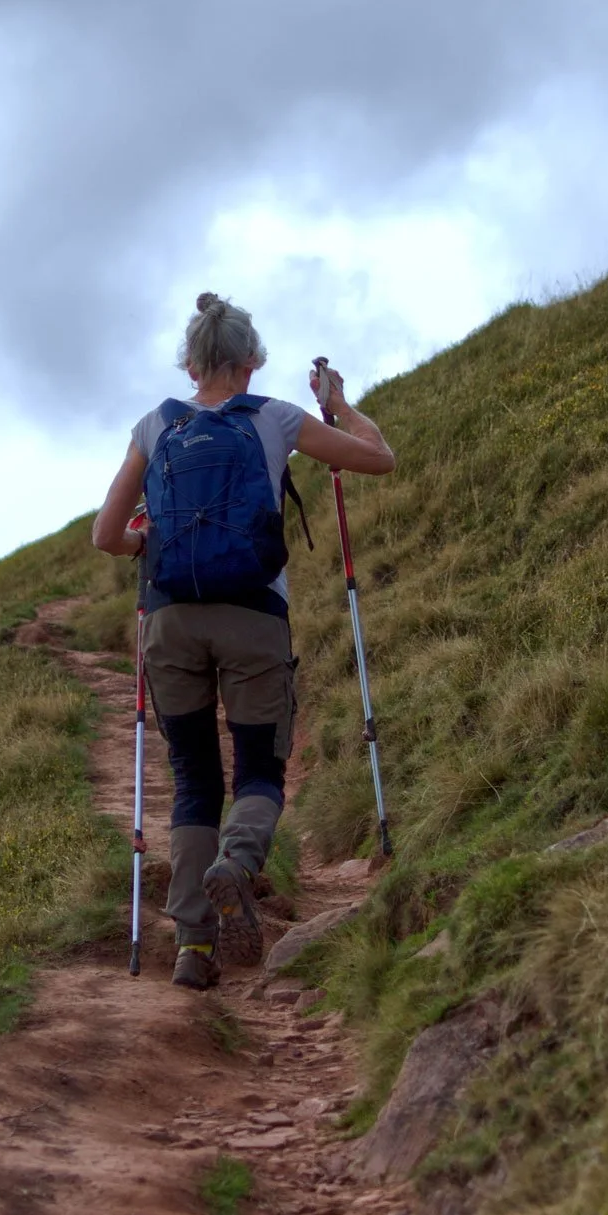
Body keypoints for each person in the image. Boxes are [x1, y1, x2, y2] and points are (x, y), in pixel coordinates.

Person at [91, 293, 395, 989]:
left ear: (190, 361)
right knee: (259, 768)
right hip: (253, 615)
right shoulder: (275, 418)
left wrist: (144, 539)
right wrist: (339, 404)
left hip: (169, 619)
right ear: (252, 361)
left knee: (195, 777)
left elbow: (106, 537)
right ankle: (237, 863)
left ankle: (194, 948)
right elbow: (380, 459)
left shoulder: (154, 426)